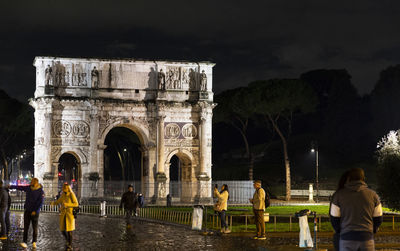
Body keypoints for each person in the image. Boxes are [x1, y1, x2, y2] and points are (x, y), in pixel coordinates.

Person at [330, 168, 383, 251]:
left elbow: (334, 218)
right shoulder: (373, 195)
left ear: (349, 178)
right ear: (363, 178)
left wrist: (340, 231)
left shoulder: (339, 195)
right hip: (366, 237)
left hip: (346, 238)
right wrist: (373, 230)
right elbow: (378, 217)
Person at [10, 177, 45, 249]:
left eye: (32, 182)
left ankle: (34, 242)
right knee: (26, 227)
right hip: (27, 210)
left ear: (36, 183)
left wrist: (35, 210)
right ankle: (24, 241)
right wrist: (11, 186)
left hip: (35, 212)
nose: (30, 183)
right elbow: (20, 187)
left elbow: (40, 202)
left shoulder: (41, 191)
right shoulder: (29, 188)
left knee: (35, 227)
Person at [51, 183, 79, 251]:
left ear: (68, 188)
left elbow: (76, 204)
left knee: (70, 231)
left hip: (70, 215)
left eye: (64, 188)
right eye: (63, 188)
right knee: (62, 230)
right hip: (63, 215)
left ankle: (70, 244)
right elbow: (59, 201)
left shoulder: (71, 194)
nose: (63, 189)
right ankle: (67, 240)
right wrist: (53, 203)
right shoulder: (63, 194)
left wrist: (67, 204)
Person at [330, 170, 349, 251]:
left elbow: (334, 218)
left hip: (342, 235)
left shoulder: (337, 195)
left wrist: (339, 231)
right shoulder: (369, 195)